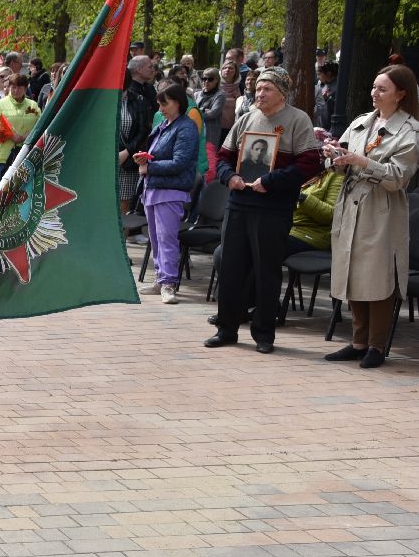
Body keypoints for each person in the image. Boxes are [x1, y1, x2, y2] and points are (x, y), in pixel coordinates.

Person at [207, 67, 322, 354]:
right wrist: (228, 177)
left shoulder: (298, 120)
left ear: (282, 92)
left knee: (265, 271)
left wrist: (270, 182)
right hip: (239, 204)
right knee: (232, 267)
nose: (260, 93)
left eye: (267, 89)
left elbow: (309, 163)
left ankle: (263, 333)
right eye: (258, 88)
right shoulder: (246, 118)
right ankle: (227, 328)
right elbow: (223, 156)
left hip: (272, 207)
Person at [326, 65, 419, 368]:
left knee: (378, 277)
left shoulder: (410, 131)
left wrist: (363, 162)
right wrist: (333, 156)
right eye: (374, 87)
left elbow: (399, 178)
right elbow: (342, 160)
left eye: (382, 89)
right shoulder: (359, 123)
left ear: (401, 94)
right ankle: (357, 341)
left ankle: (377, 347)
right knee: (352, 270)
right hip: (351, 204)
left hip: (382, 209)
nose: (374, 93)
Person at [136, 82, 200, 304]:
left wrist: (149, 167)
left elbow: (180, 162)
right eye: (159, 104)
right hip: (153, 189)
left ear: (178, 103)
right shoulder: (165, 125)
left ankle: (169, 284)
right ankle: (161, 279)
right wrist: (144, 159)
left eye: (165, 104)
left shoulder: (186, 127)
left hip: (170, 192)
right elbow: (159, 156)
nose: (161, 108)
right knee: (156, 239)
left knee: (167, 239)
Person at [0, 74, 40, 186]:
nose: (16, 90)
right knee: (1, 190)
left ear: (25, 88)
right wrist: (11, 134)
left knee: (23, 190)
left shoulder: (33, 105)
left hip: (26, 154)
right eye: (13, 87)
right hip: (3, 157)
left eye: (20, 87)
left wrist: (28, 135)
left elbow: (41, 124)